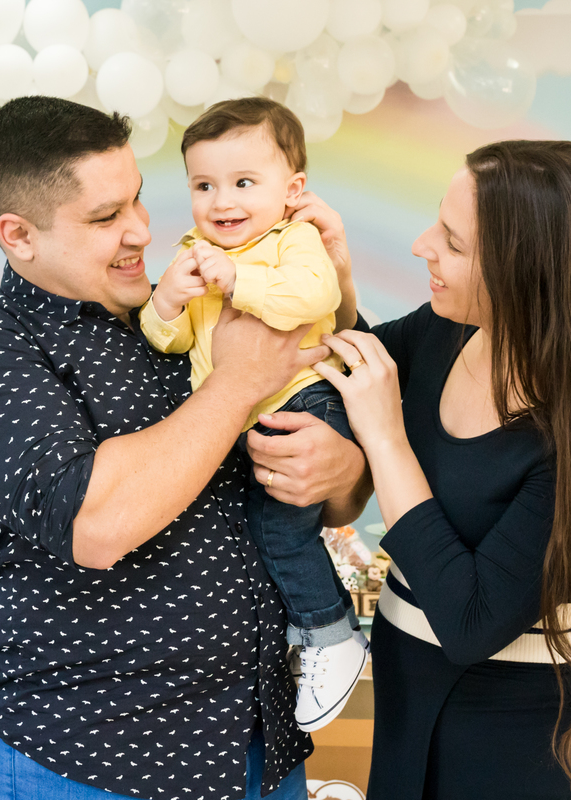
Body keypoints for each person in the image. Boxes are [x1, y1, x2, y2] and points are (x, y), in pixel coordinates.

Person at [0, 96, 369, 800]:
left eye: (138, 200)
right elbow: (95, 523)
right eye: (105, 218)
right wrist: (237, 382)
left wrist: (343, 470)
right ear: (19, 235)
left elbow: (327, 492)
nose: (143, 231)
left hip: (259, 747)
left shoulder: (182, 311)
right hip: (91, 759)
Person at [307, 140, 571, 799]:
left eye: (453, 243)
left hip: (527, 744)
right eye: (437, 222)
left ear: (527, 274)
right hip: (413, 707)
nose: (421, 246)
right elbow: (351, 364)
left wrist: (386, 440)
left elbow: (471, 621)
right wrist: (338, 285)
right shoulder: (446, 331)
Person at [140, 97, 368, 733]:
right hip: (243, 417)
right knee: (260, 531)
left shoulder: (294, 240)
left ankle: (332, 637)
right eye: (204, 186)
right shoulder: (195, 252)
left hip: (303, 401)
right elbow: (172, 343)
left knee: (281, 531)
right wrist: (166, 302)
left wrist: (237, 281)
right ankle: (316, 631)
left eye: (244, 182)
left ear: (292, 190)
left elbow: (316, 296)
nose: (222, 201)